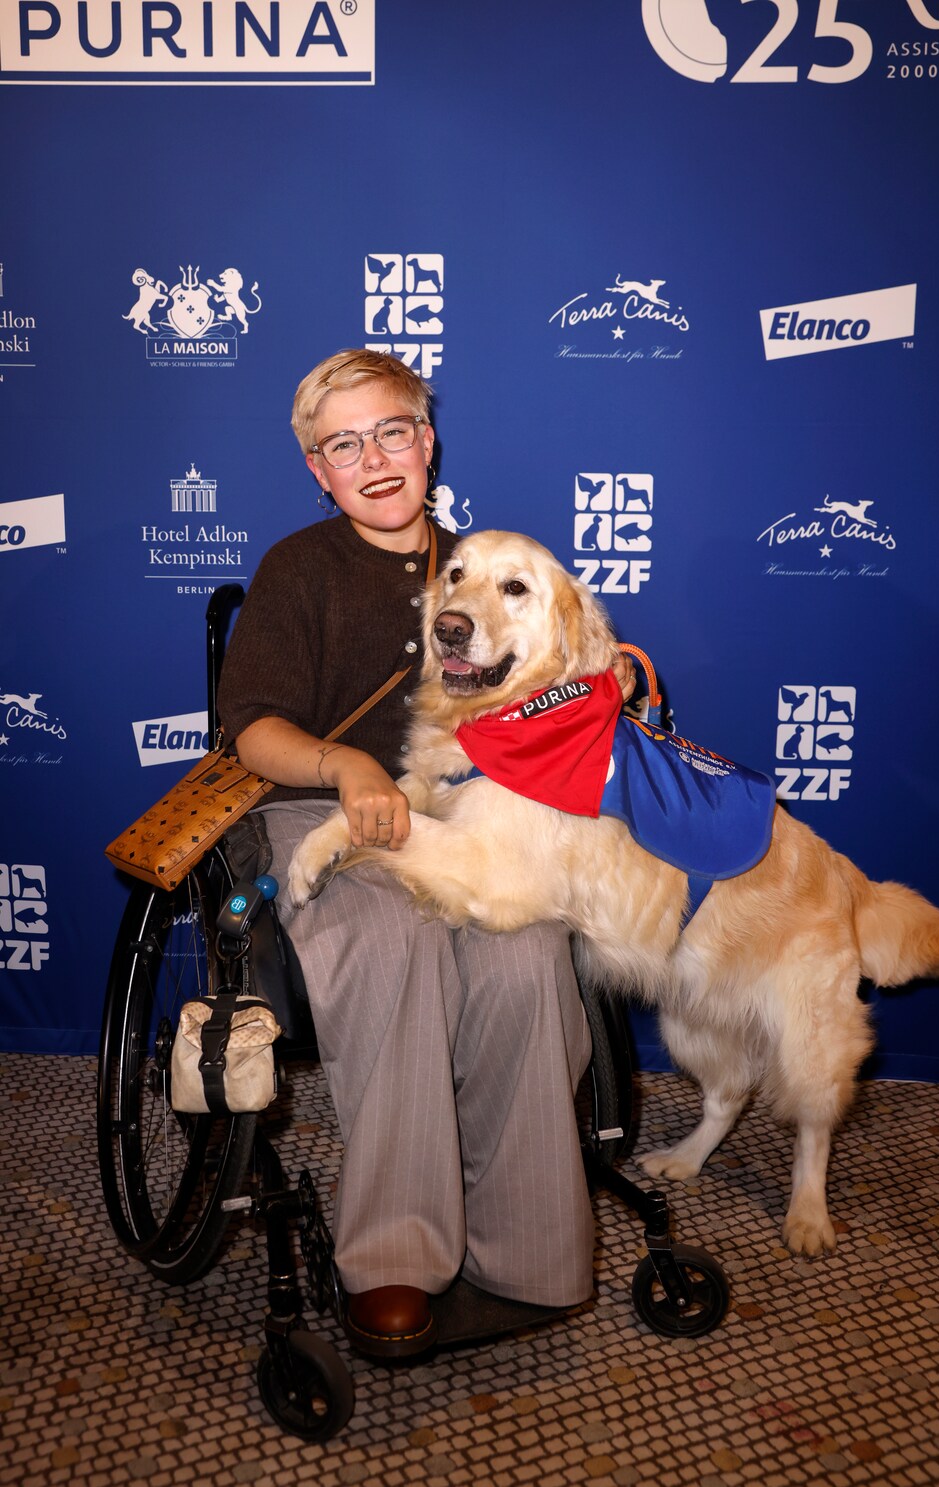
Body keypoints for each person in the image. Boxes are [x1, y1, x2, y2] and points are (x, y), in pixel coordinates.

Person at [217, 349, 627, 1359]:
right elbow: (251, 731)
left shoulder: (482, 559)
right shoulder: (298, 568)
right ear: (317, 468)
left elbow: (554, 675)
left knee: (526, 958)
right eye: (342, 444)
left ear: (426, 440)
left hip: (458, 820)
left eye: (390, 432)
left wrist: (609, 669)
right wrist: (342, 765)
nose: (373, 458)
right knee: (392, 937)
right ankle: (395, 1251)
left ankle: (528, 1243)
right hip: (310, 806)